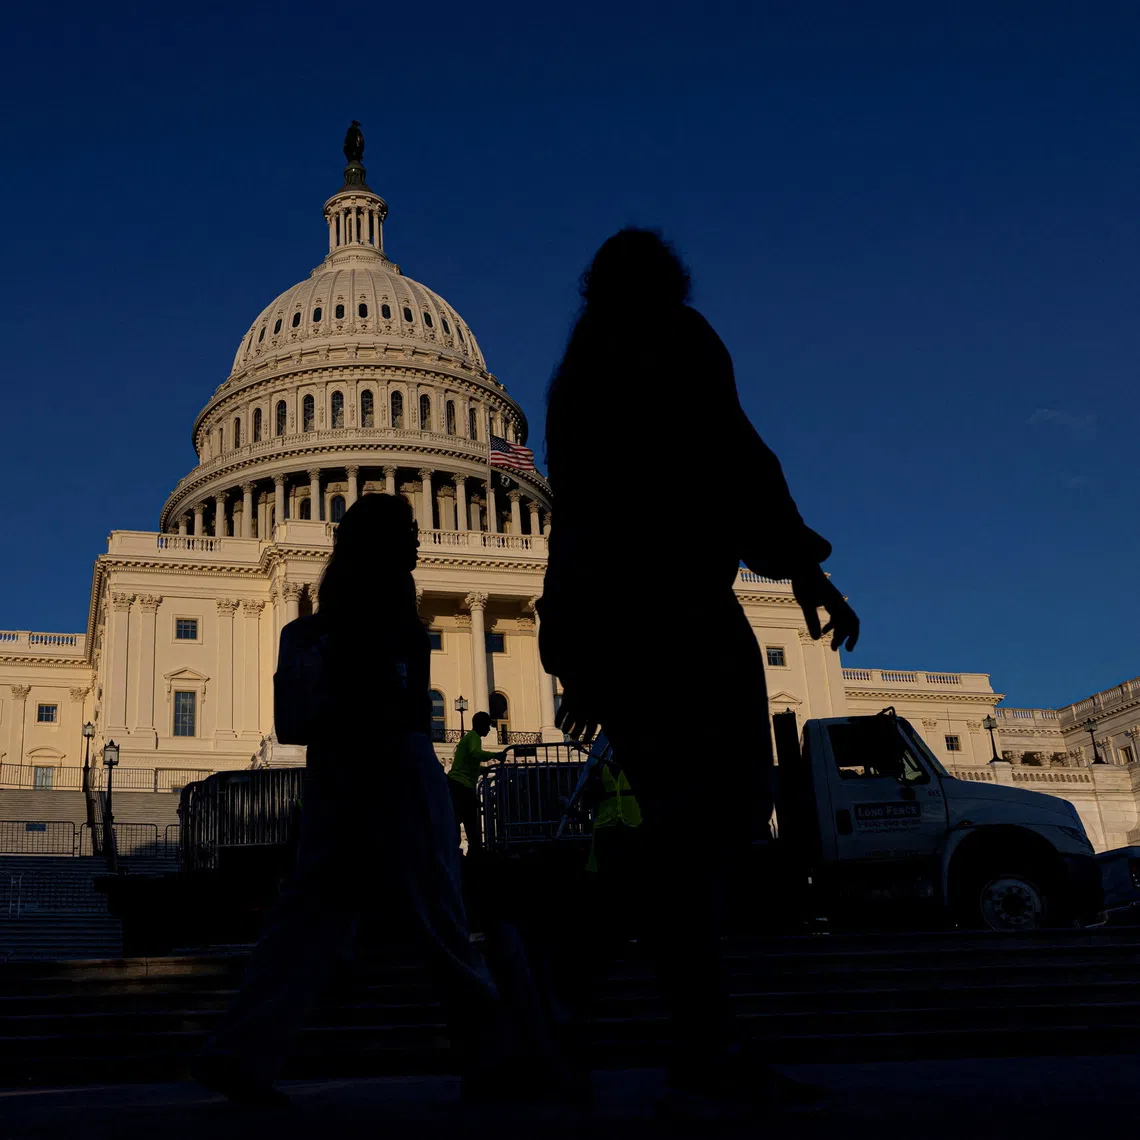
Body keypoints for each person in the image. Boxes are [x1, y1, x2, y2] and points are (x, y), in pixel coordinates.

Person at [538, 228, 860, 1116]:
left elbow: (580, 521)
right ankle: (572, 968)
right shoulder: (677, 339)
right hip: (677, 608)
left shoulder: (579, 371)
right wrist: (802, 567)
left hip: (611, 616)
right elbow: (741, 458)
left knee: (689, 830)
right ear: (666, 280)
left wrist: (574, 653)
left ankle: (693, 1038)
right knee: (714, 813)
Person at [194, 494, 504, 1104]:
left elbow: (292, 722)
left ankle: (240, 1053)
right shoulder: (401, 633)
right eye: (408, 534)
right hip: (399, 770)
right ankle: (495, 1051)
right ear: (384, 547)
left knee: (303, 924)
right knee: (440, 918)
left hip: (336, 774)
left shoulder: (304, 635)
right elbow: (412, 712)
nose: (421, 543)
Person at [447, 711, 504, 852]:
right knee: (470, 820)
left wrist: (480, 770)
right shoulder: (474, 737)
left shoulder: (468, 737)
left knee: (460, 818)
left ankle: (463, 848)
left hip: (457, 784)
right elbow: (475, 753)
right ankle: (475, 849)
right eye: (487, 725)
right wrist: (495, 755)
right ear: (481, 725)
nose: (489, 729)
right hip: (462, 786)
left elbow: (466, 764)